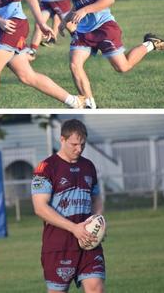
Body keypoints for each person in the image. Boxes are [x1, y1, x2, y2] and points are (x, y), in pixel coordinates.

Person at [31, 119, 105, 293]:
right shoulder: (46, 168)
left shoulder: (89, 166)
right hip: (58, 245)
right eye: (74, 144)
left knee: (96, 288)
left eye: (82, 145)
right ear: (62, 140)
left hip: (89, 242)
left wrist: (99, 221)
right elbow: (40, 208)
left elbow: (97, 199)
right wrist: (74, 228)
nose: (79, 149)